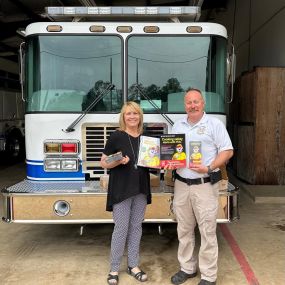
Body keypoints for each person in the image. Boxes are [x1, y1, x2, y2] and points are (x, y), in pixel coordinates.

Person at [170, 89, 233, 285]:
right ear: (184, 105)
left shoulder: (214, 124)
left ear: (203, 103)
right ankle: (187, 268)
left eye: (196, 102)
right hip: (181, 185)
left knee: (207, 230)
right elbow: (172, 152)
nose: (193, 105)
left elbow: (227, 151)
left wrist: (210, 167)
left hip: (205, 185)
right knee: (184, 229)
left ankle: (208, 276)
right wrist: (170, 162)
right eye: (189, 102)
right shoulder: (177, 125)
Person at [100, 101, 151, 285]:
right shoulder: (116, 136)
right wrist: (118, 160)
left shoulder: (146, 138)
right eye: (128, 114)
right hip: (121, 190)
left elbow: (153, 163)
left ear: (140, 116)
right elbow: (104, 162)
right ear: (123, 117)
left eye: (135, 113)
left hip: (141, 189)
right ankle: (114, 269)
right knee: (121, 228)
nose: (132, 117)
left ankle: (133, 265)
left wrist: (162, 163)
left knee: (136, 227)